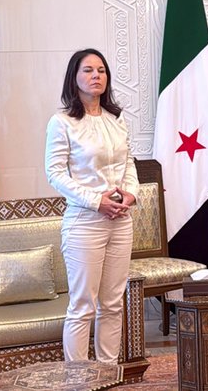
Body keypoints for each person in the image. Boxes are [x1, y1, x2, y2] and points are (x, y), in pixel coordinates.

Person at [45, 48, 139, 363]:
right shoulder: (62, 122)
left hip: (121, 219)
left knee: (113, 304)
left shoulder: (117, 118)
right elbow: (55, 173)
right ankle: (78, 379)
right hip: (85, 221)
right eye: (87, 70)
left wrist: (131, 194)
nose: (96, 75)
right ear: (74, 78)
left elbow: (129, 164)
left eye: (101, 70)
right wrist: (96, 201)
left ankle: (107, 373)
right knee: (83, 305)